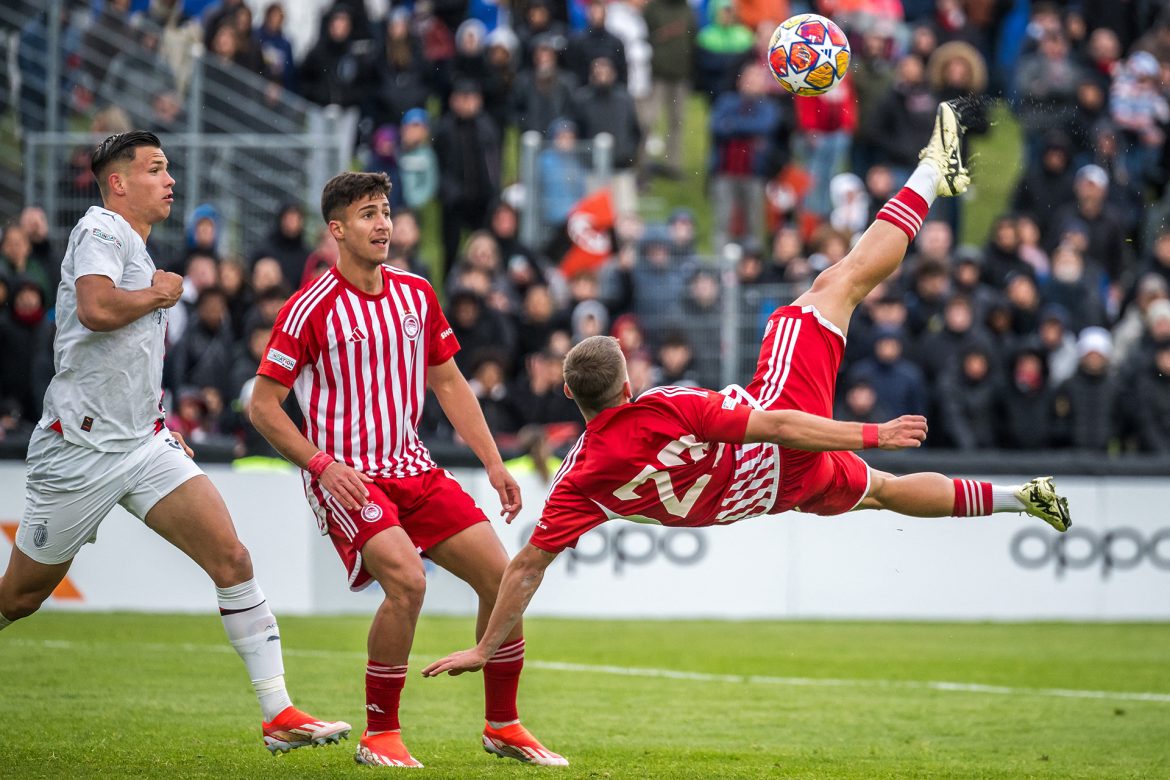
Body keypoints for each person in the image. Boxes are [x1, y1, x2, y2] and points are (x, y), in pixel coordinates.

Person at [422, 102, 1073, 685]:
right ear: (628, 382)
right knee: (835, 284)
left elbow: (528, 566)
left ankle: (1025, 499)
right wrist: (871, 433)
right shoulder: (660, 408)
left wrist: (486, 647)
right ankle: (935, 166)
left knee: (885, 492)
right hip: (778, 449)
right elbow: (782, 427)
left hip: (773, 496)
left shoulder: (579, 478)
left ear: (568, 393)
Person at [0, 131, 350, 753]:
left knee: (232, 558)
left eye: (168, 169)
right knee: (19, 599)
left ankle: (278, 714)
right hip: (79, 452)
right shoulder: (101, 230)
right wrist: (159, 293)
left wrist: (159, 423)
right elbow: (97, 309)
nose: (169, 180)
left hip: (141, 444)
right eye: (155, 169)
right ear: (117, 183)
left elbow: (127, 358)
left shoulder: (132, 242)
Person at [247, 172, 565, 768]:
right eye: (368, 213)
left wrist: (494, 462)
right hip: (350, 478)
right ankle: (380, 735)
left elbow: (448, 381)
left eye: (387, 211)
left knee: (503, 580)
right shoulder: (307, 308)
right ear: (337, 229)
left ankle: (503, 725)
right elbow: (262, 406)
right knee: (409, 582)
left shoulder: (416, 293)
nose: (384, 223)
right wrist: (321, 464)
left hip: (414, 466)